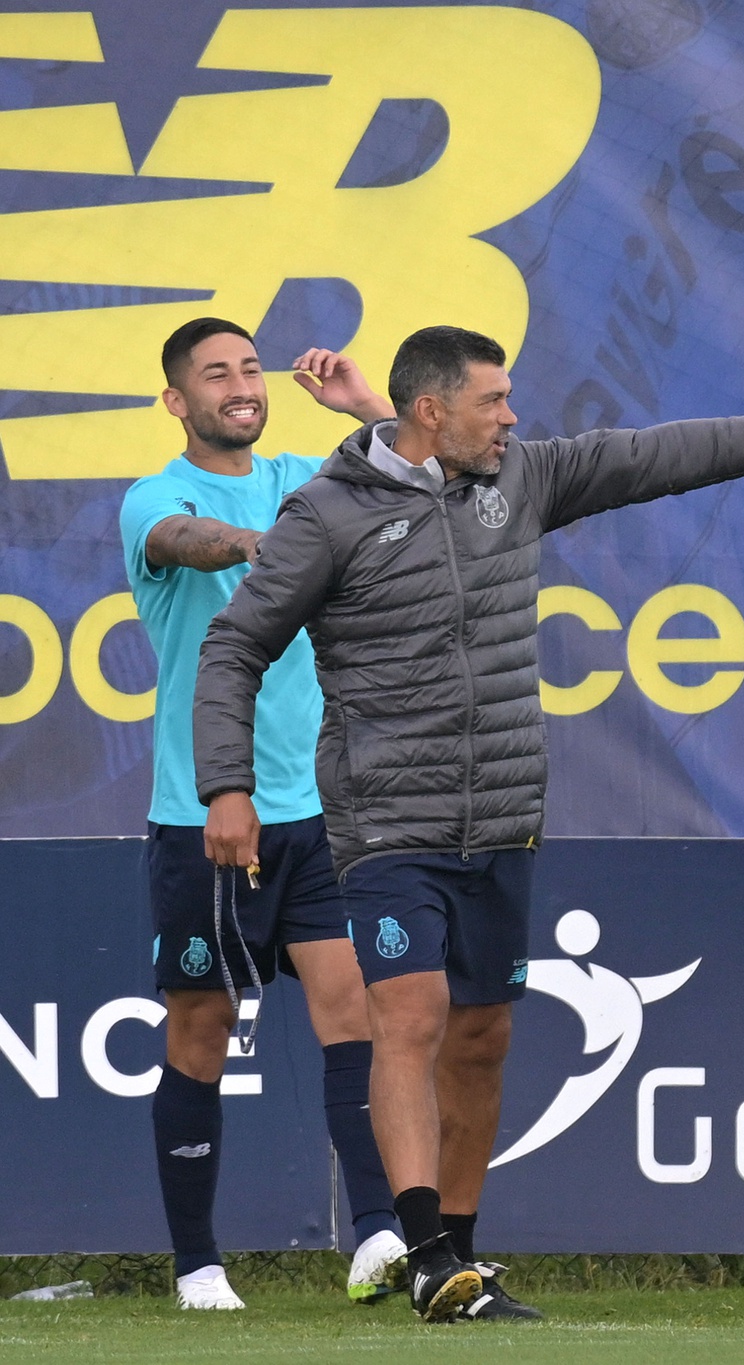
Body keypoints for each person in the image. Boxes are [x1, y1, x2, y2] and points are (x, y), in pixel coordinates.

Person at [192, 324, 744, 1323]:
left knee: (480, 1036)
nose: (513, 418)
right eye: (495, 401)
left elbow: (651, 457)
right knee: (408, 1020)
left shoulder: (513, 481)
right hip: (389, 821)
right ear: (431, 411)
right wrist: (226, 785)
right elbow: (232, 649)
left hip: (504, 816)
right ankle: (425, 1255)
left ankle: (466, 1256)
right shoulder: (326, 514)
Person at [118, 318, 405, 1311]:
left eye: (247, 367)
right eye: (214, 374)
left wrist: (366, 407)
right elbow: (184, 542)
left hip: (320, 815)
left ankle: (376, 1237)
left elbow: (423, 463)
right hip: (204, 817)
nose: (238, 384)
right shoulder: (157, 498)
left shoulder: (307, 468)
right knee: (200, 1032)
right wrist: (260, 541)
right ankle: (198, 1263)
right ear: (177, 401)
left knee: (354, 1013)